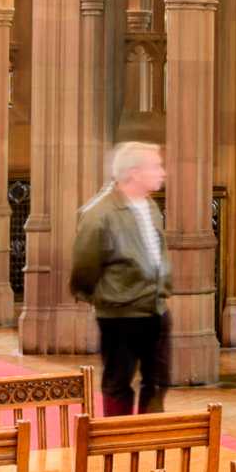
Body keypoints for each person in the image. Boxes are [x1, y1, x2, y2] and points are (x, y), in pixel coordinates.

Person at [68, 140, 171, 414]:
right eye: (157, 166)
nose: (163, 172)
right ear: (135, 172)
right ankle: (118, 442)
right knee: (118, 383)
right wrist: (106, 298)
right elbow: (84, 267)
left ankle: (148, 439)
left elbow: (156, 253)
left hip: (155, 308)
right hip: (120, 314)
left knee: (158, 380)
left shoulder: (150, 207)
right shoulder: (99, 214)